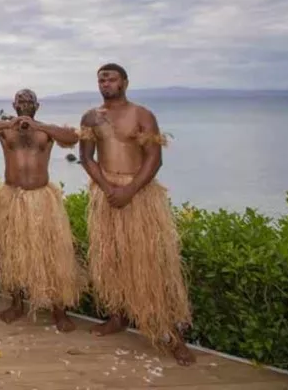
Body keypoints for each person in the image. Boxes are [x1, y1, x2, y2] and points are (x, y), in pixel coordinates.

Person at [79, 63, 194, 365]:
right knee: (111, 259)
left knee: (150, 263)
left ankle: (170, 333)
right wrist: (106, 187)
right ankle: (118, 317)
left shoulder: (142, 115)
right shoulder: (91, 117)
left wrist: (129, 190)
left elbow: (154, 160)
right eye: (101, 78)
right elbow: (86, 158)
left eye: (111, 78)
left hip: (140, 195)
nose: (105, 83)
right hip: (107, 194)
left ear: (125, 82)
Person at [0, 89, 83, 332]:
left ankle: (59, 309)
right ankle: (17, 304)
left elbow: (73, 137)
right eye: (20, 101)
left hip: (42, 199)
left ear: (37, 105)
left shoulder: (46, 131)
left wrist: (36, 125)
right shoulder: (5, 130)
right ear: (14, 104)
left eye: (29, 101)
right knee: (12, 252)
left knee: (52, 255)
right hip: (12, 198)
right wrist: (9, 122)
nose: (24, 105)